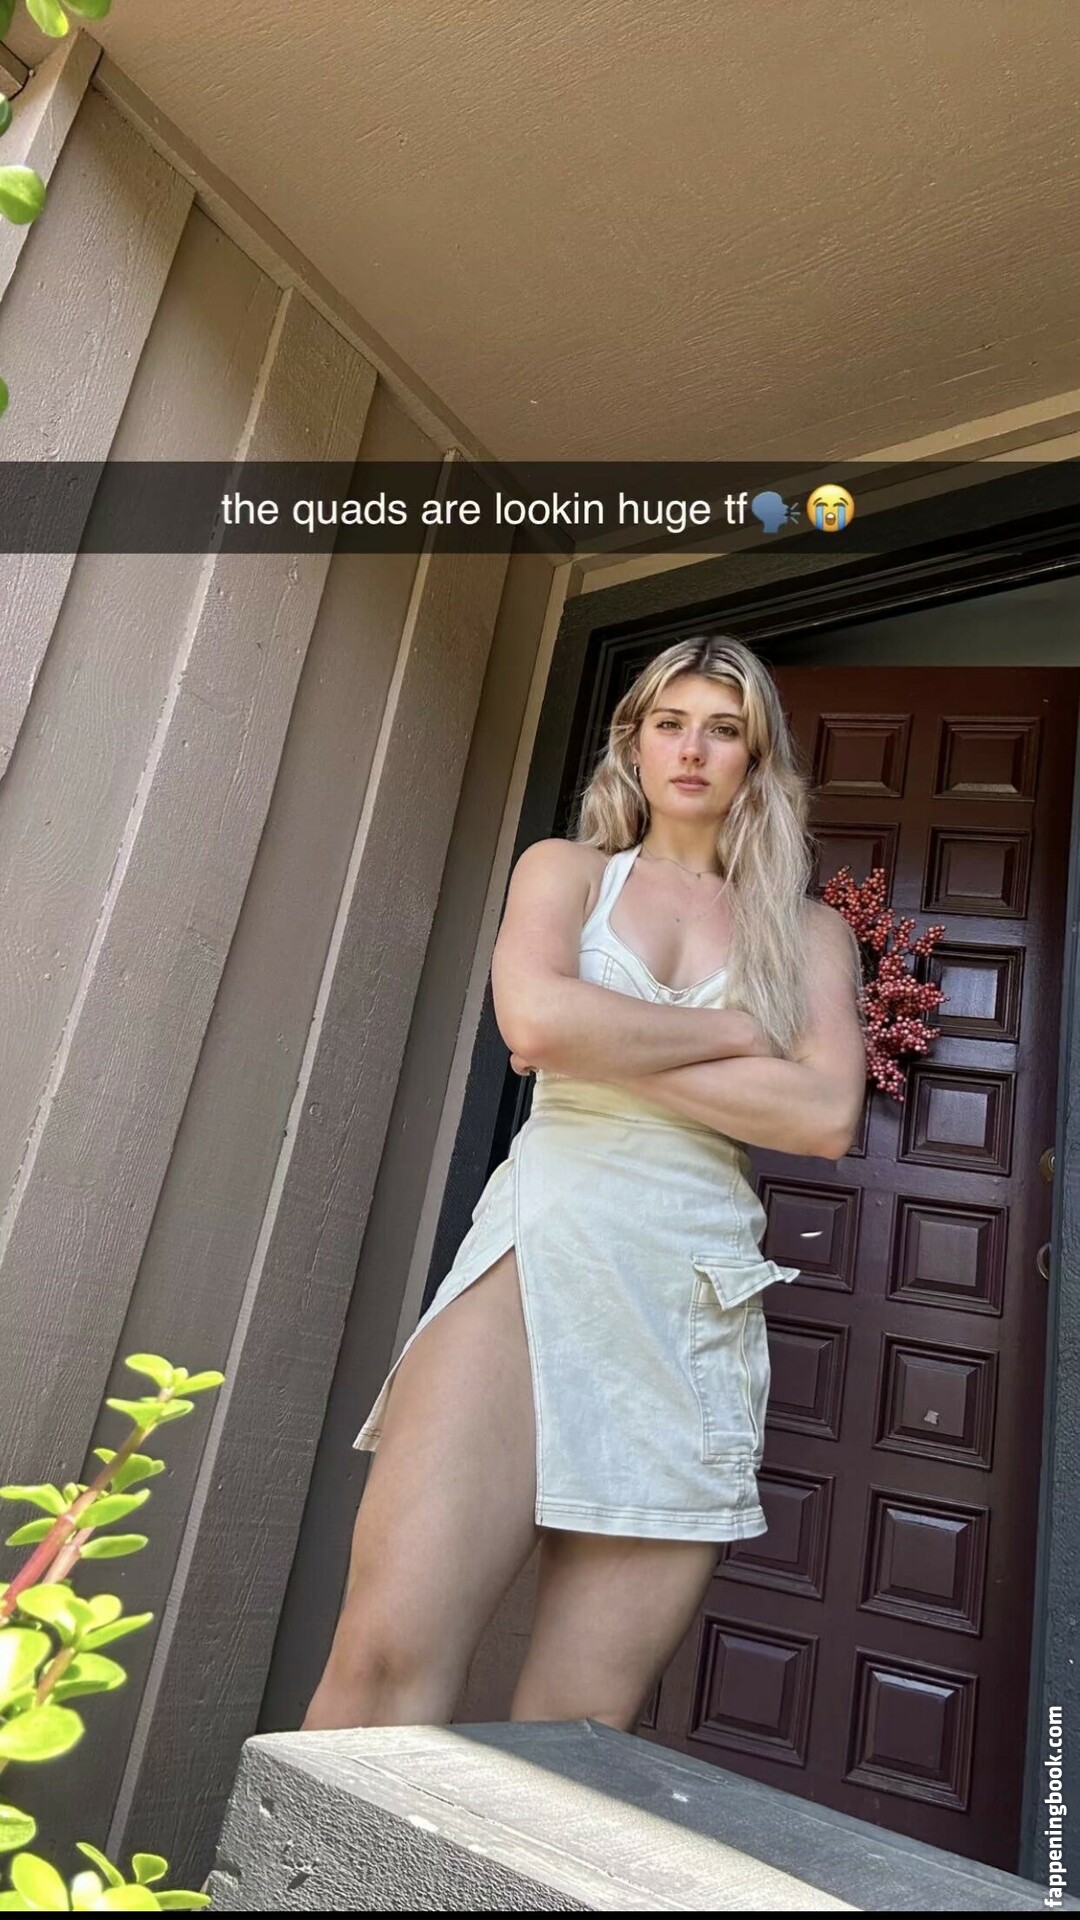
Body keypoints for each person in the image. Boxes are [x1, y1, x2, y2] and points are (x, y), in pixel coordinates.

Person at [303, 634, 866, 1737]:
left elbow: (822, 1116)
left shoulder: (808, 933)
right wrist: (739, 1036)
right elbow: (535, 1021)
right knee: (383, 1661)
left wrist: (604, 1040)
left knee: (577, 1733)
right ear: (634, 743)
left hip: (692, 1295)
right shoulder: (567, 871)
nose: (692, 750)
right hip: (535, 1246)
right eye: (670, 724)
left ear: (757, 759)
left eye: (724, 730)